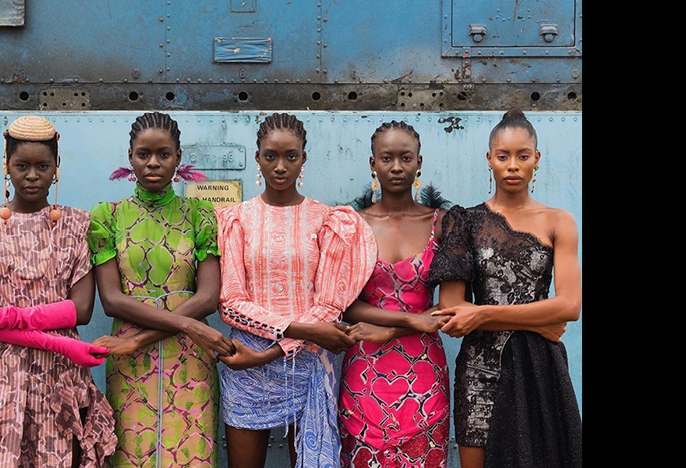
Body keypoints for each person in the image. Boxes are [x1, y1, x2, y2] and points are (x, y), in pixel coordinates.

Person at [215, 112, 377, 468]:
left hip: (309, 362)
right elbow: (230, 302)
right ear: (257, 157)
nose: (280, 166)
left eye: (291, 156)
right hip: (246, 361)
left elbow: (330, 303)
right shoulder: (236, 219)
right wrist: (298, 332)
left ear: (304, 158)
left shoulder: (328, 220)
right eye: (271, 156)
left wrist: (275, 350)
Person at [0, 115, 117, 467]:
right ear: (6, 166)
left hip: (58, 377)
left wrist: (4, 315)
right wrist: (56, 339)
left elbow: (82, 310)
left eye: (42, 166)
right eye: (21, 165)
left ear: (56, 166)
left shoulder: (77, 225)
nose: (31, 175)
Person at [428, 108, 582, 468]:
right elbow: (452, 312)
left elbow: (571, 307)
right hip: (481, 372)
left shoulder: (560, 221)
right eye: (503, 156)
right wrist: (538, 320)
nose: (512, 165)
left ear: (536, 160)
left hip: (540, 366)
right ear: (490, 160)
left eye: (522, 156)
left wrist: (481, 312)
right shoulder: (463, 221)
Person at [87, 112, 233, 467]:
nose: (153, 163)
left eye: (163, 154)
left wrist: (140, 339)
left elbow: (208, 297)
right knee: (132, 452)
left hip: (188, 359)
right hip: (130, 360)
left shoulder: (200, 214)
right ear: (130, 157)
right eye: (143, 154)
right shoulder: (107, 216)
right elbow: (111, 300)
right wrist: (186, 324)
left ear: (178, 158)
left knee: (191, 453)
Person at [338, 121, 451, 468]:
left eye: (406, 158)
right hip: (364, 371)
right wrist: (408, 318)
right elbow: (345, 304)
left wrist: (392, 329)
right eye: (387, 158)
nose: (397, 167)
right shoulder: (352, 224)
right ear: (373, 163)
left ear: (420, 162)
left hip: (425, 374)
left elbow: (449, 310)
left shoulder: (443, 223)